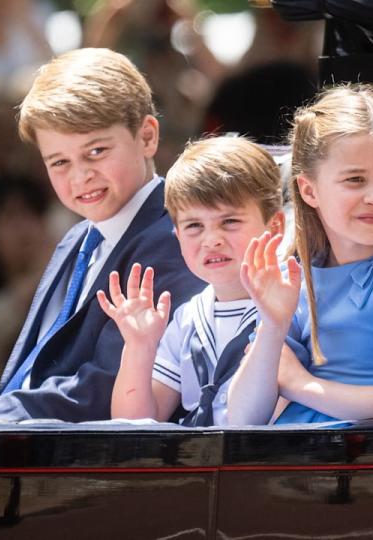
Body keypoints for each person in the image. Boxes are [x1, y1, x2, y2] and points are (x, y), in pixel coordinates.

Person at [0, 48, 204, 422]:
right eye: (60, 162)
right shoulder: (77, 238)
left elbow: (101, 387)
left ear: (147, 137)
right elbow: (32, 377)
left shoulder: (175, 239)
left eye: (96, 151)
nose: (80, 177)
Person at [227, 85, 373, 425]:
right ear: (309, 190)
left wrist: (301, 384)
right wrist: (273, 324)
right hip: (288, 458)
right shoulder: (298, 276)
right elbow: (241, 419)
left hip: (361, 462)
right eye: (356, 179)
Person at [97, 136, 286, 427]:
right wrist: (139, 347)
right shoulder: (188, 318)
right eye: (194, 226)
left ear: (274, 226)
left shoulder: (296, 302)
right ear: (177, 235)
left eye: (230, 222)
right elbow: (133, 424)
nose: (212, 240)